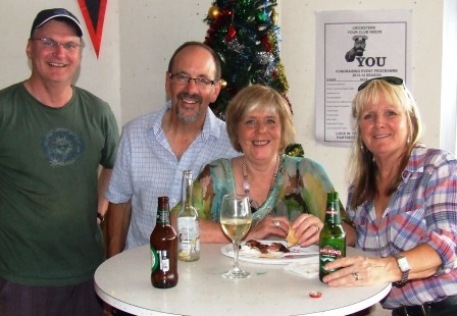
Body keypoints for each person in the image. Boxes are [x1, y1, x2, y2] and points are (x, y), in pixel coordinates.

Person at [0, 8, 119, 316]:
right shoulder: (5, 109)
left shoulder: (98, 112)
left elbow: (113, 165)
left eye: (70, 45)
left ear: (79, 54)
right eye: (48, 42)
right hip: (18, 278)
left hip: (86, 275)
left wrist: (99, 209)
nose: (59, 53)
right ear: (30, 48)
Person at [321, 76, 457, 316]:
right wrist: (327, 229)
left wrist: (388, 267)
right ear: (360, 129)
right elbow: (360, 243)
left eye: (391, 113)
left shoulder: (438, 167)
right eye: (368, 116)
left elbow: (447, 248)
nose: (379, 124)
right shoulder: (359, 189)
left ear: (410, 120)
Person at [105, 41, 239, 258]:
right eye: (182, 77)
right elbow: (119, 204)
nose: (191, 89)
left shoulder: (232, 145)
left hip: (208, 274)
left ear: (215, 91)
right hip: (141, 269)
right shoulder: (134, 134)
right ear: (168, 82)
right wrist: (112, 264)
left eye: (203, 80)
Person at [172, 84, 352, 245]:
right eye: (250, 121)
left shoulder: (307, 172)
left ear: (283, 130)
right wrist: (247, 234)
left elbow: (351, 235)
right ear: (237, 131)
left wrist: (324, 232)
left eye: (270, 121)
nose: (260, 130)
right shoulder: (216, 174)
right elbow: (176, 223)